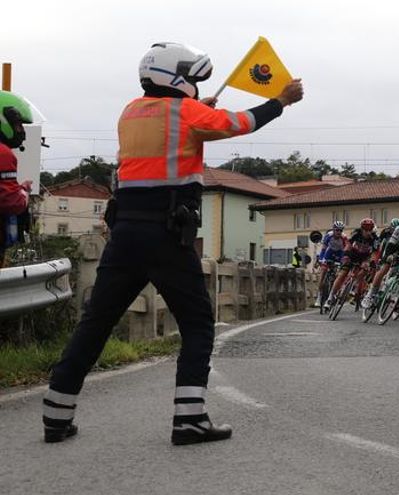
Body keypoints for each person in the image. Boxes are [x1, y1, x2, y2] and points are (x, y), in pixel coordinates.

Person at [43, 42, 304, 445]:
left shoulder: (130, 111)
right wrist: (280, 101)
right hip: (166, 233)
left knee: (96, 322)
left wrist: (204, 109)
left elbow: (174, 130)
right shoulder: (187, 112)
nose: (197, 86)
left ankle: (56, 415)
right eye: (194, 79)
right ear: (178, 77)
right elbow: (240, 123)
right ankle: (190, 419)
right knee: (198, 323)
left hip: (125, 231)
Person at [0, 90, 35, 266]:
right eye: (18, 124)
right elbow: (11, 201)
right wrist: (24, 191)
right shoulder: (3, 153)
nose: (21, 130)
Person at [324, 218, 377, 310]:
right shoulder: (356, 233)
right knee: (342, 274)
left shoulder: (374, 238)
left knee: (365, 268)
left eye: (369, 230)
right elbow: (348, 244)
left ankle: (354, 286)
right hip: (352, 254)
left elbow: (374, 252)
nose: (367, 232)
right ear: (362, 229)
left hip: (364, 257)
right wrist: (346, 255)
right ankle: (330, 297)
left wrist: (371, 262)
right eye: (365, 230)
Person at [316, 220, 348, 304]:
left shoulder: (344, 238)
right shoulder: (328, 236)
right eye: (337, 230)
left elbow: (345, 251)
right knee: (323, 271)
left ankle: (333, 294)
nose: (338, 232)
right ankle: (319, 296)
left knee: (338, 274)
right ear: (333, 230)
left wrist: (343, 261)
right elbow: (323, 249)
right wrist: (322, 259)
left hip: (339, 253)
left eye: (340, 230)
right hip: (329, 252)